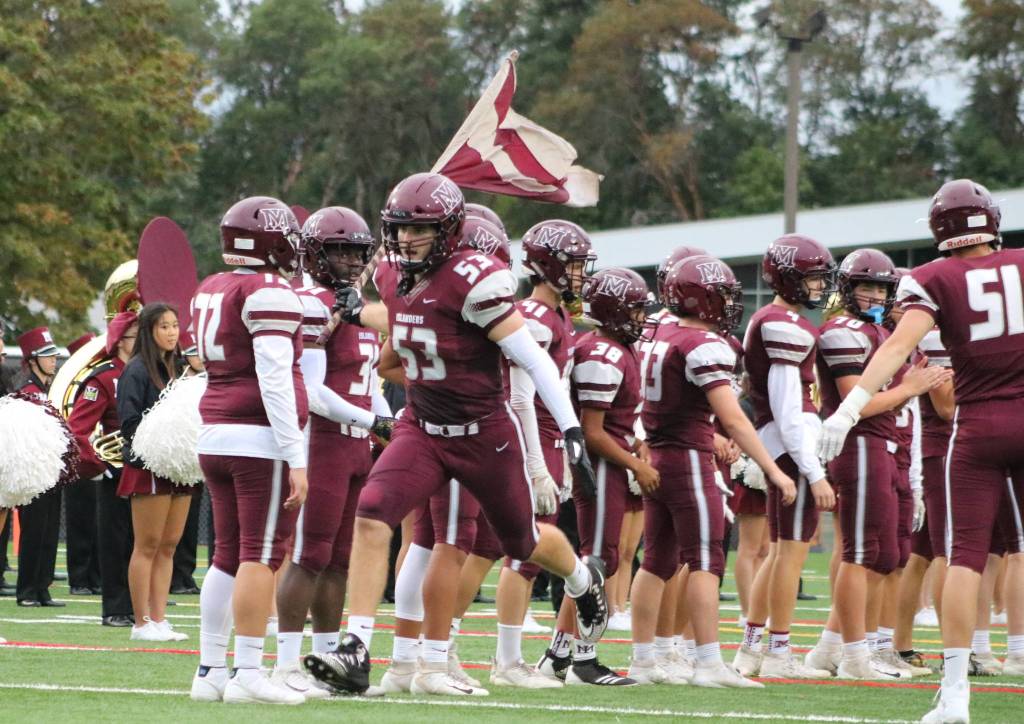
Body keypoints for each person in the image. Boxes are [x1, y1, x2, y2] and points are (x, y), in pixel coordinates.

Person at [303, 172, 606, 697]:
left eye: (417, 231)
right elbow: (402, 320)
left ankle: (582, 580)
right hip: (422, 426)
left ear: (447, 233)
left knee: (521, 539)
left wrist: (573, 429)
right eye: (398, 230)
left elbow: (532, 360)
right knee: (373, 515)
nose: (403, 241)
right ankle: (355, 647)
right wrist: (360, 311)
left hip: (482, 432)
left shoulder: (475, 280)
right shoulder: (395, 277)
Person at [817, 179, 1024, 722]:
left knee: (965, 558)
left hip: (975, 429)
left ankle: (955, 693)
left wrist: (846, 408)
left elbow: (896, 347)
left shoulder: (931, 279)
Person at [628, 254, 796, 688]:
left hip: (656, 456)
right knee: (705, 560)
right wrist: (773, 470)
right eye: (720, 296)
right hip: (687, 458)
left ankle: (644, 660)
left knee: (655, 562)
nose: (726, 304)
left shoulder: (657, 331)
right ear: (700, 299)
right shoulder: (700, 345)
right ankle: (706, 662)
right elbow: (734, 419)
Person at [188, 196, 310, 705]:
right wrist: (296, 453)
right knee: (261, 555)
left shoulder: (212, 287)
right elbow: (275, 378)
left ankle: (211, 671)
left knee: (226, 556)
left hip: (216, 431)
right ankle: (248, 673)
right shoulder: (269, 291)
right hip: (258, 438)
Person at [271, 206, 394, 699]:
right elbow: (314, 391)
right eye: (338, 249)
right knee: (309, 555)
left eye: (355, 251)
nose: (347, 260)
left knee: (341, 559)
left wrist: (387, 419)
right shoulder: (312, 304)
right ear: (316, 252)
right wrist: (374, 421)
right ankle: (284, 664)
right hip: (320, 442)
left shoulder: (356, 303)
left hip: (353, 446)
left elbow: (367, 383)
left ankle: (328, 662)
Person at [812, 249, 948, 680]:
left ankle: (861, 648)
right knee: (861, 554)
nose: (873, 295)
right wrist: (910, 387)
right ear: (846, 289)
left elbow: (935, 406)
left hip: (893, 449)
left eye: (881, 288)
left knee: (892, 555)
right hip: (860, 445)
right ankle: (854, 656)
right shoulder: (841, 331)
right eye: (864, 286)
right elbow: (861, 402)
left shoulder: (889, 339)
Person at [538, 267, 651, 687]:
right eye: (635, 310)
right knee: (596, 563)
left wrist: (634, 446)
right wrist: (635, 463)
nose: (641, 319)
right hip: (599, 469)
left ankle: (558, 654)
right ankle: (583, 659)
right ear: (615, 310)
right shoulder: (603, 354)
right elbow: (592, 431)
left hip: (608, 466)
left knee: (592, 565)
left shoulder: (614, 348)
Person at [733, 234, 837, 679]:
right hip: (791, 449)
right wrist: (812, 472)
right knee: (789, 555)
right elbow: (787, 409)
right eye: (812, 278)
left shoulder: (780, 319)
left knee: (778, 554)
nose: (819, 287)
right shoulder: (783, 324)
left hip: (784, 447)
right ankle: (778, 653)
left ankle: (753, 648)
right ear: (790, 278)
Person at [117, 303, 193, 642]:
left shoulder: (178, 369)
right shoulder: (135, 371)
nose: (172, 332)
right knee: (146, 545)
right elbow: (129, 423)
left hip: (177, 468)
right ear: (150, 332)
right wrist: (159, 443)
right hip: (148, 466)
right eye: (164, 326)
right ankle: (141, 622)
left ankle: (160, 620)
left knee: (169, 545)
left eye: (175, 325)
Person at [67, 312, 139, 626]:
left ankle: (142, 606)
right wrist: (101, 467)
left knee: (145, 542)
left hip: (147, 469)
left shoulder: (150, 372)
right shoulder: (105, 378)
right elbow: (78, 428)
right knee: (116, 540)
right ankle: (116, 608)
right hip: (117, 471)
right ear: (121, 340)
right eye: (137, 335)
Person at [14, 327, 64, 607]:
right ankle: (27, 590)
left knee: (49, 531)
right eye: (47, 356)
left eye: (53, 355)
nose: (53, 360)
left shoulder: (50, 389)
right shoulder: (26, 392)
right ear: (32, 360)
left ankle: (42, 587)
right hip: (34, 472)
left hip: (53, 471)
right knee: (34, 532)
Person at [63, 332, 103, 596]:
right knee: (80, 521)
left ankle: (95, 577)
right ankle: (79, 578)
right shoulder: (82, 382)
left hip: (101, 454)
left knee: (99, 523)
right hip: (82, 455)